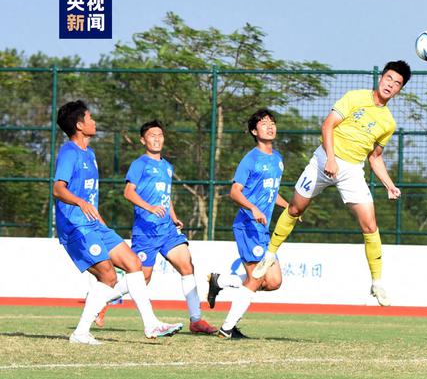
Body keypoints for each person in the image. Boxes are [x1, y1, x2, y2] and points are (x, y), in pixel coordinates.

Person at [250, 60, 412, 306]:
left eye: (397, 83)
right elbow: (327, 125)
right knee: (295, 208)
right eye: (389, 78)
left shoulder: (388, 123)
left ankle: (377, 282)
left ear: (400, 89)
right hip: (324, 158)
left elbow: (375, 157)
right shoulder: (355, 97)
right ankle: (270, 255)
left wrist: (389, 184)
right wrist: (332, 160)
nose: (391, 84)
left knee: (370, 224)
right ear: (381, 77)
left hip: (352, 170)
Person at [53, 100, 183, 345]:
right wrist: (80, 203)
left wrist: (99, 220)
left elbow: (89, 197)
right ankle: (81, 332)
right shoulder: (69, 152)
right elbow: (58, 189)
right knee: (108, 276)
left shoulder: (89, 153)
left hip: (94, 225)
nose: (94, 121)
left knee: (133, 263)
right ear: (80, 125)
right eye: (90, 118)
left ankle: (151, 325)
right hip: (75, 226)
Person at [97, 120, 218, 334]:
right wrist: (149, 208)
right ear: (143, 140)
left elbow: (166, 197)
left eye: (160, 135)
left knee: (187, 266)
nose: (156, 138)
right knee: (142, 278)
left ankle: (196, 320)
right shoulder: (139, 164)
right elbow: (128, 192)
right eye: (152, 135)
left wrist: (174, 216)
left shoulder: (167, 166)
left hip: (167, 231)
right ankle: (101, 302)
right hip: (146, 232)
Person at [207, 108, 287, 339]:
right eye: (263, 123)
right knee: (256, 278)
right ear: (254, 131)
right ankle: (227, 329)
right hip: (247, 226)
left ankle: (219, 281)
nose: (269, 126)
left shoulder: (278, 159)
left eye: (272, 122)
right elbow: (235, 191)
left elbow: (271, 193)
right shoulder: (250, 159)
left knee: (274, 282)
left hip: (263, 229)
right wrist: (253, 208)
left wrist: (290, 208)